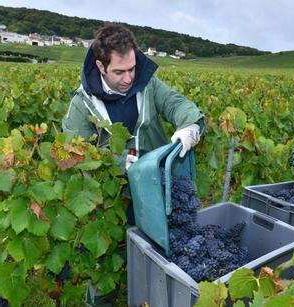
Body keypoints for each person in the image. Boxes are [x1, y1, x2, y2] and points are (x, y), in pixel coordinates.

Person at [62, 24, 204, 306]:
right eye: (119, 72)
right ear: (101, 67)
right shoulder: (82, 105)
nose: (128, 78)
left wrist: (189, 127)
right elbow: (72, 156)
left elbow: (178, 104)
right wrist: (115, 162)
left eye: (132, 69)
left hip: (154, 190)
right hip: (107, 200)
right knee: (104, 264)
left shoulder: (147, 85)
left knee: (161, 255)